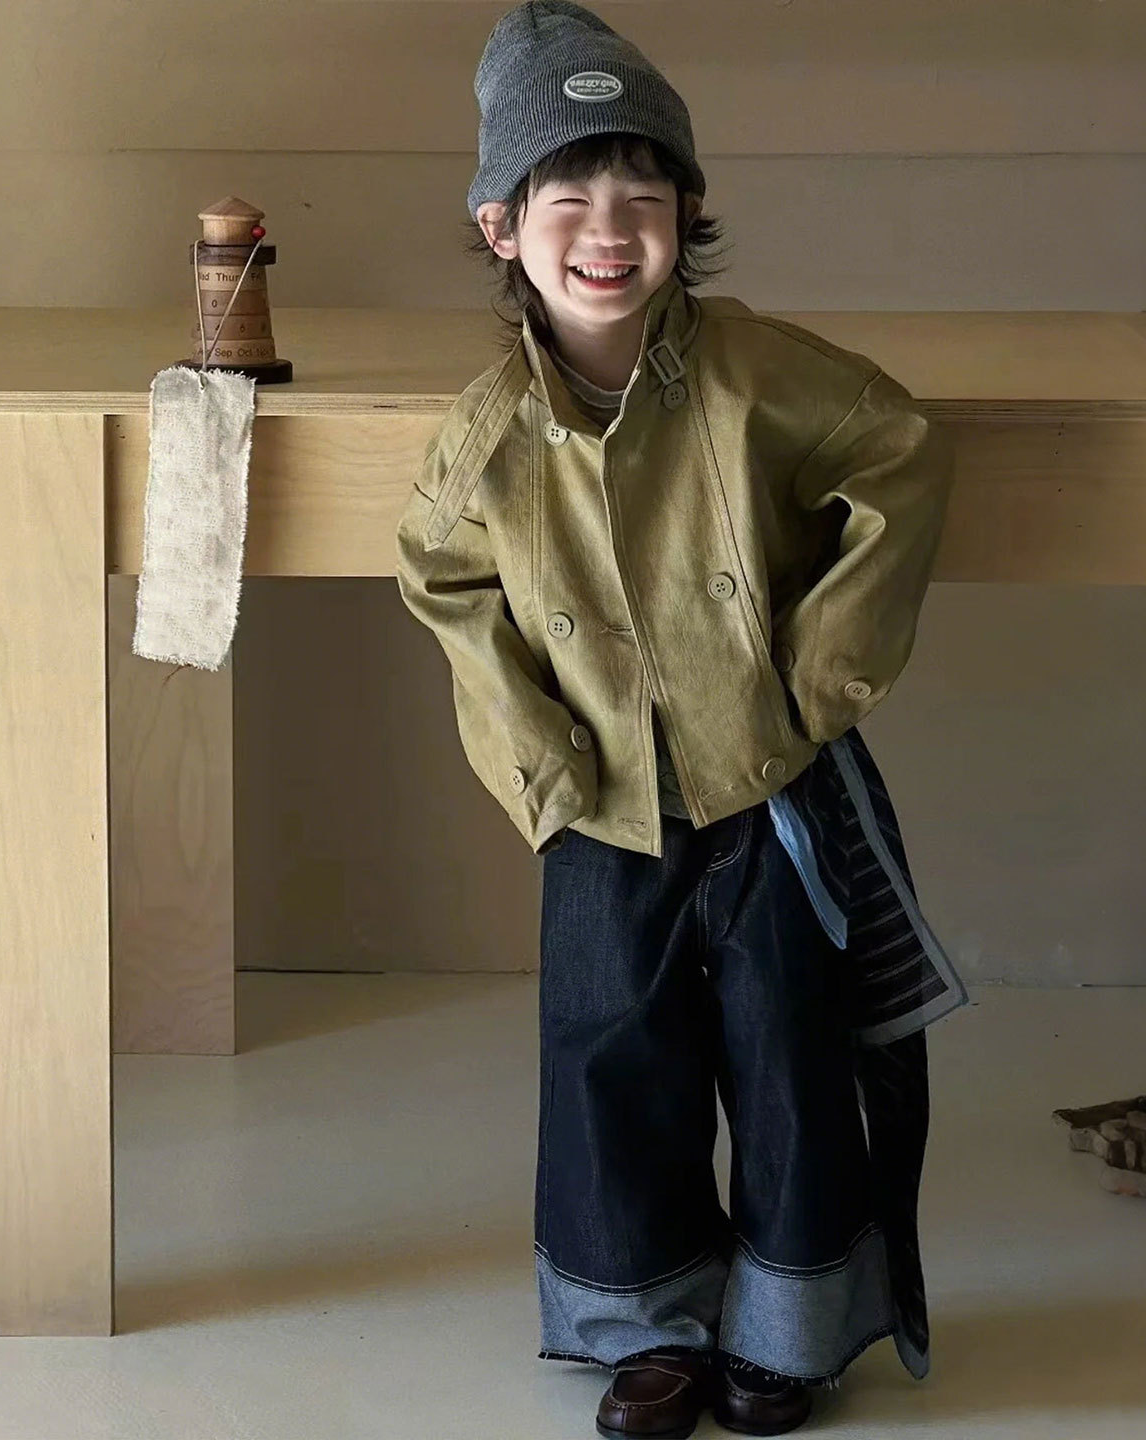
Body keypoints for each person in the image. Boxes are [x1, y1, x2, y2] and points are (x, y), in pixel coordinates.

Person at [394, 4, 968, 1434]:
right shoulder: (487, 430)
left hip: (763, 787)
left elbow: (900, 450)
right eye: (567, 200)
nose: (609, 232)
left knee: (789, 1060)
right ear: (498, 226)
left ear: (688, 216)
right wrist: (534, 758)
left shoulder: (758, 373)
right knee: (612, 1067)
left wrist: (817, 680)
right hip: (599, 805)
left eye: (643, 198)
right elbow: (441, 576)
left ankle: (785, 1331)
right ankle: (646, 1329)